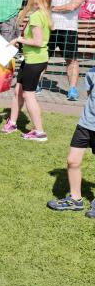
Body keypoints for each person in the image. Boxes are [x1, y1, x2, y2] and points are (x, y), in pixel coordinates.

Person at [0, 0, 52, 141]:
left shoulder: (36, 16)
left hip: (35, 61)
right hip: (31, 59)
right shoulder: (44, 14)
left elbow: (38, 42)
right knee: (18, 91)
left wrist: (19, 39)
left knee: (29, 95)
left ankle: (39, 132)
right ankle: (12, 123)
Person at [47, 64, 95, 216]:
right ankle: (75, 200)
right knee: (72, 161)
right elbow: (90, 96)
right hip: (86, 123)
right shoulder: (91, 73)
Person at [48, 0, 88, 100]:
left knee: (71, 60)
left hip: (69, 29)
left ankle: (72, 89)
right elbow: (41, 2)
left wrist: (51, 8)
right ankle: (36, 85)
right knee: (42, 58)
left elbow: (72, 6)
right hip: (50, 27)